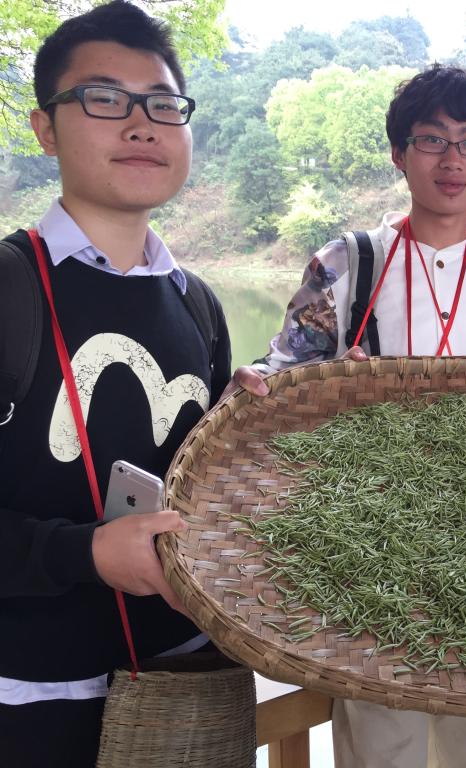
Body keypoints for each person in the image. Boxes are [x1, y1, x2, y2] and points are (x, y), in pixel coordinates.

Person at [232, 64, 466, 768]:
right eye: (432, 140)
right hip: (370, 545)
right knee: (380, 738)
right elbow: (284, 372)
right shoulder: (349, 262)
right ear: (398, 153)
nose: (453, 160)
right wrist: (262, 384)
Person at [0, 3, 231, 766]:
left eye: (162, 105)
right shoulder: (9, 288)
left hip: (186, 689)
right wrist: (86, 555)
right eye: (104, 99)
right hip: (29, 701)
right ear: (44, 128)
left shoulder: (198, 306)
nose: (141, 125)